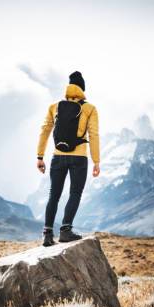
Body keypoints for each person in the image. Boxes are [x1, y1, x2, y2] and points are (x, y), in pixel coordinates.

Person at [36, 71, 100, 246]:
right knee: (75, 193)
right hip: (79, 158)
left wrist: (40, 156)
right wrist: (96, 161)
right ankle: (65, 230)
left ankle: (47, 234)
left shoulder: (55, 107)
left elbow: (45, 131)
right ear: (83, 89)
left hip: (58, 156)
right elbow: (93, 135)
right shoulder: (90, 109)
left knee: (53, 195)